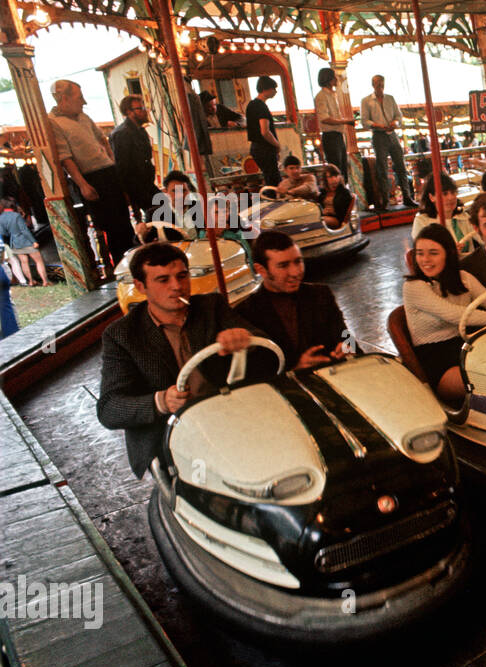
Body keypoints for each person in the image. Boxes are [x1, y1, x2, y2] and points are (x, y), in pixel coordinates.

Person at [96, 241, 259, 478]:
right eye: (163, 280)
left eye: (182, 276)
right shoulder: (122, 335)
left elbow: (261, 342)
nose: (177, 287)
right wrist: (161, 401)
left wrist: (244, 337)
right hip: (171, 433)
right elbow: (109, 409)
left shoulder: (211, 307)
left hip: (225, 416)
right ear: (141, 287)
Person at [404, 223, 486, 403]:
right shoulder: (413, 287)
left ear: (448, 253)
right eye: (420, 253)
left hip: (465, 346)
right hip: (437, 359)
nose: (425, 260)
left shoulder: (463, 278)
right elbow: (454, 314)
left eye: (433, 253)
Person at [47, 80, 136, 267]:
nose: (84, 102)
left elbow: (101, 139)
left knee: (125, 222)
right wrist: (83, 185)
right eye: (79, 98)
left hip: (109, 171)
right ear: (64, 99)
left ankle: (134, 263)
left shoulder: (83, 116)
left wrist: (112, 162)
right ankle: (121, 269)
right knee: (112, 228)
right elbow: (65, 158)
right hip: (92, 177)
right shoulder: (54, 122)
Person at [239, 231, 350, 370]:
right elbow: (255, 371)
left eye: (298, 261)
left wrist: (347, 346)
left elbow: (345, 334)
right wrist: (295, 368)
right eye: (283, 265)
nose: (295, 272)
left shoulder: (320, 294)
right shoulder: (247, 311)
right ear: (261, 270)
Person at [360, 74, 415, 208]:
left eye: (382, 84)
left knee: (401, 166)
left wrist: (395, 122)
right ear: (373, 85)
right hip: (378, 135)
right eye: (378, 85)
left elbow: (398, 116)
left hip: (392, 134)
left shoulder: (390, 99)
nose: (381, 87)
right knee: (382, 169)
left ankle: (407, 197)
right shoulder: (366, 101)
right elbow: (364, 121)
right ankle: (384, 200)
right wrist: (377, 125)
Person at [109, 95, 160, 224]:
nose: (145, 111)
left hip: (147, 184)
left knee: (163, 208)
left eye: (144, 107)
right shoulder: (122, 134)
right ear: (128, 112)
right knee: (159, 212)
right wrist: (128, 195)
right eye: (140, 108)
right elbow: (122, 167)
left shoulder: (140, 131)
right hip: (136, 187)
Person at [413, 172, 475, 252]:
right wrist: (448, 252)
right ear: (431, 197)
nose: (451, 197)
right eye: (444, 194)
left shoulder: (463, 217)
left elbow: (481, 237)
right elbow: (424, 253)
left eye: (453, 192)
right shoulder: (422, 221)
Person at [0, 198, 48, 286]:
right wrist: (34, 241)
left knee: (24, 262)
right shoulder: (16, 216)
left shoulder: (1, 217)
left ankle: (30, 281)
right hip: (26, 241)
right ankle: (45, 281)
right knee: (38, 261)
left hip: (15, 243)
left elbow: (3, 232)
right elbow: (24, 230)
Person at [244, 75, 282, 186]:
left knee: (269, 178)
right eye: (274, 88)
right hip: (265, 148)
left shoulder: (251, 105)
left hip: (256, 148)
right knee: (273, 180)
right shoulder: (261, 107)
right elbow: (265, 131)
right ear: (266, 89)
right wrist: (277, 145)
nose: (275, 91)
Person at [315, 67, 350, 175]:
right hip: (330, 136)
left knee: (343, 167)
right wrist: (344, 121)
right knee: (336, 168)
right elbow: (324, 119)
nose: (336, 79)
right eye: (334, 77)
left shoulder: (333, 94)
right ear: (329, 79)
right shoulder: (321, 96)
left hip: (338, 134)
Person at [317, 164, 354, 230]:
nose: (334, 179)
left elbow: (345, 213)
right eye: (330, 176)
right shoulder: (323, 192)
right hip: (324, 216)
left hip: (337, 219)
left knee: (319, 220)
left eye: (336, 175)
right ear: (326, 179)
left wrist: (332, 211)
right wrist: (323, 212)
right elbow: (318, 206)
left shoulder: (344, 192)